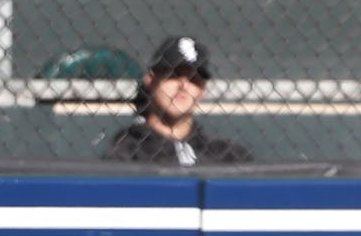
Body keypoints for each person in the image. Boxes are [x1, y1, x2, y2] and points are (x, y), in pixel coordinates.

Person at [104, 35, 253, 165]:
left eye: (194, 79)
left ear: (202, 90)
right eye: (173, 75)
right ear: (150, 80)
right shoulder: (127, 155)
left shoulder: (227, 155)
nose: (183, 85)